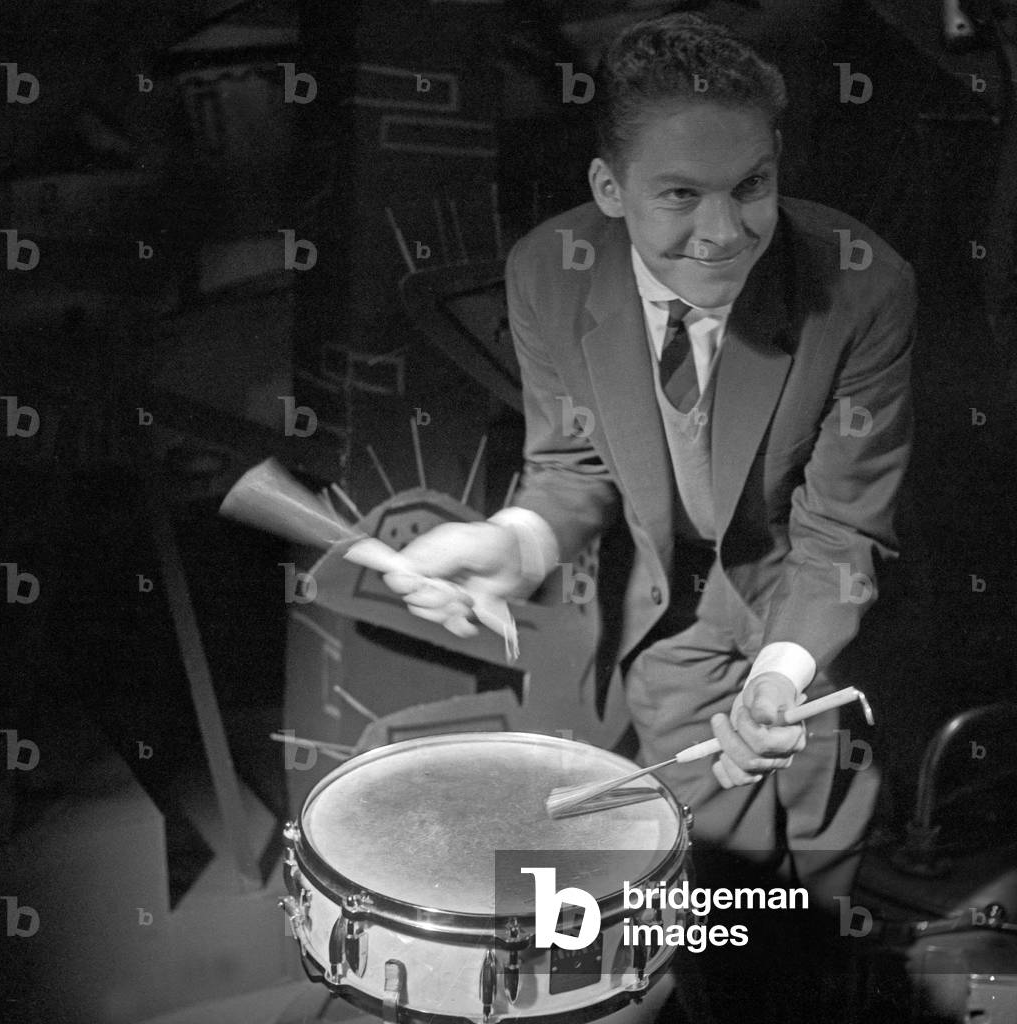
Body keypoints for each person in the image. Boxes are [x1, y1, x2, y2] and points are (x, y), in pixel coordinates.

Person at [384, 10, 914, 924]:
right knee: (702, 903)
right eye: (679, 194)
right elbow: (574, 465)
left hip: (823, 608)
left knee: (818, 902)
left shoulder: (866, 285)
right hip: (674, 611)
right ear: (610, 186)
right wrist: (514, 540)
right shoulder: (549, 271)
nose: (725, 231)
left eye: (752, 185)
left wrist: (782, 673)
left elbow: (842, 528)